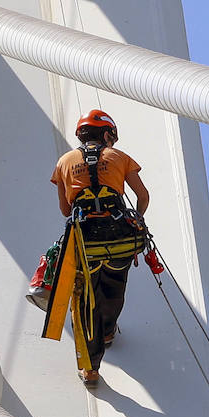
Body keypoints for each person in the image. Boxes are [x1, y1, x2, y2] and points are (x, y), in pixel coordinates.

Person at [50, 109, 151, 387]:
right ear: (107, 135)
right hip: (119, 237)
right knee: (114, 288)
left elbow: (64, 209)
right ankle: (108, 332)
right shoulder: (119, 158)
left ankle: (91, 369)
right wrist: (137, 219)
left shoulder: (64, 162)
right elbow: (142, 196)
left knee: (84, 303)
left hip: (84, 241)